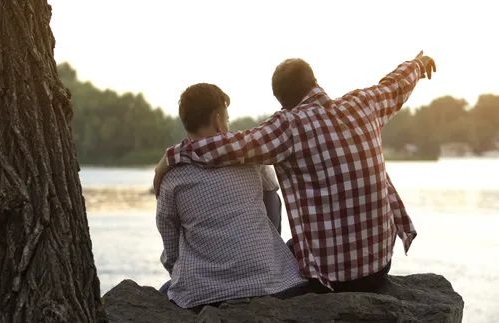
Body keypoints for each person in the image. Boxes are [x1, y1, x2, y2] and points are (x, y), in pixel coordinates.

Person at [154, 51, 437, 293]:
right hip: (379, 266)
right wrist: (418, 64)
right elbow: (394, 85)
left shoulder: (287, 127)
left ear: (282, 102)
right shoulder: (364, 104)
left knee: (279, 254)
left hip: (328, 277)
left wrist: (172, 157)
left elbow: (230, 147)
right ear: (315, 82)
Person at [155, 83, 308, 313]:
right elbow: (272, 198)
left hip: (201, 292)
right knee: (271, 196)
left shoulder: (171, 176)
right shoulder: (247, 154)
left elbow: (169, 237)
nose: (226, 125)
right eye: (226, 119)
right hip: (266, 280)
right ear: (218, 120)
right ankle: (263, 253)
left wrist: (178, 271)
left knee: (163, 293)